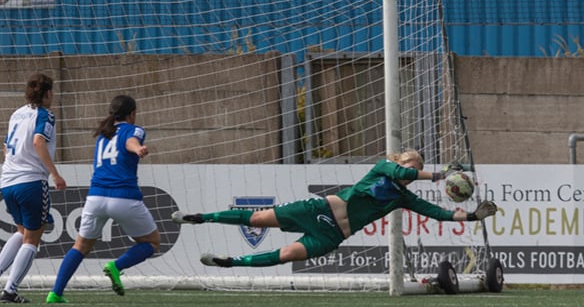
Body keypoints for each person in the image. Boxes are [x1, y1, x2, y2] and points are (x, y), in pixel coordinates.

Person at [171, 149, 498, 268]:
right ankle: (200, 218)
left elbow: (439, 213)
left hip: (333, 235)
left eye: (419, 167)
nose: (415, 169)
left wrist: (473, 215)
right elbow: (403, 174)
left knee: (286, 255)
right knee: (258, 218)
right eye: (413, 162)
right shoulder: (385, 167)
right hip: (318, 210)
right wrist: (440, 174)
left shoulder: (404, 198)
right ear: (400, 159)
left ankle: (229, 263)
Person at [46, 95, 160, 304]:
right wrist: (138, 149)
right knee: (152, 242)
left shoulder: (103, 134)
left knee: (80, 246)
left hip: (96, 197)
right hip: (124, 197)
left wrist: (134, 148)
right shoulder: (134, 129)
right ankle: (116, 266)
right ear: (131, 113)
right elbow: (130, 141)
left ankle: (55, 293)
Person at [0, 73, 67, 303]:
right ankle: (10, 290)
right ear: (48, 93)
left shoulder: (16, 114)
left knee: (22, 232)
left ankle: (7, 285)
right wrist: (55, 174)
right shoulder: (46, 115)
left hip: (7, 180)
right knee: (32, 239)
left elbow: (6, 146)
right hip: (30, 181)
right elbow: (39, 141)